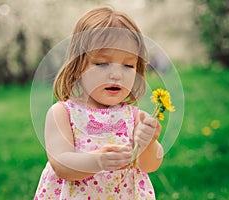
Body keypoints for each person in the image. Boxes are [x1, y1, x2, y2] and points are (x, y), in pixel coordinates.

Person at [34, 7, 164, 200]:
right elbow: (61, 164)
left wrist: (149, 143)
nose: (116, 74)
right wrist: (97, 161)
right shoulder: (63, 113)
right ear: (78, 67)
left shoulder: (134, 117)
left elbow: (150, 165)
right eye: (102, 63)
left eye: (128, 65)